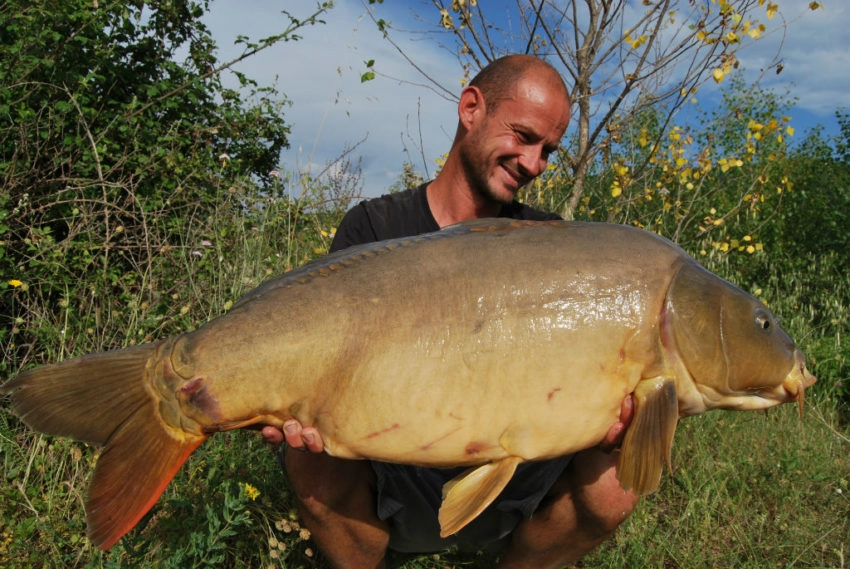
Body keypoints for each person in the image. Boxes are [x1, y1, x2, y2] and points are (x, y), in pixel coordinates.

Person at [262, 54, 638, 569]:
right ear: (470, 109)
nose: (534, 164)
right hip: (398, 473)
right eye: (524, 136)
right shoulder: (375, 228)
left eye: (548, 150)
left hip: (515, 482)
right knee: (308, 458)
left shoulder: (548, 244)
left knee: (618, 480)